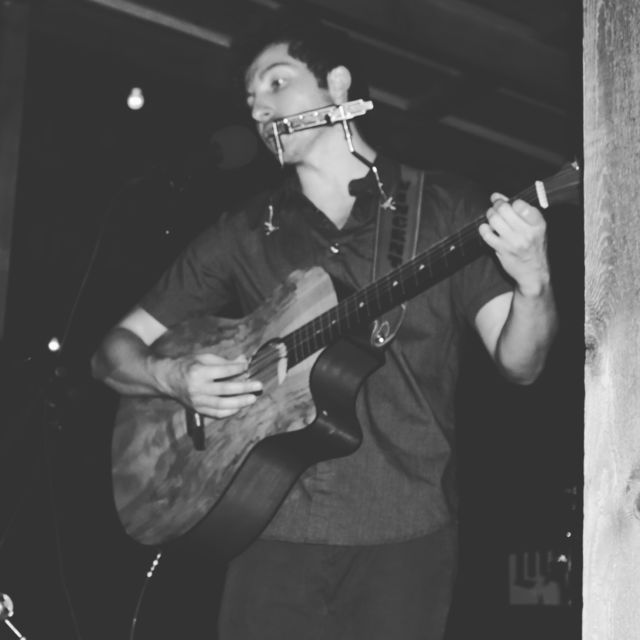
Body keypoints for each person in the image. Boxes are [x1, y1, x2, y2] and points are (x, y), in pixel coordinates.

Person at [91, 10, 557, 640]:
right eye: (250, 99)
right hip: (266, 528)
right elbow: (112, 352)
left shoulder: (447, 209)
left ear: (337, 84)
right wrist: (171, 377)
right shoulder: (243, 231)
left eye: (277, 83)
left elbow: (521, 363)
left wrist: (534, 281)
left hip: (407, 532)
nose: (260, 109)